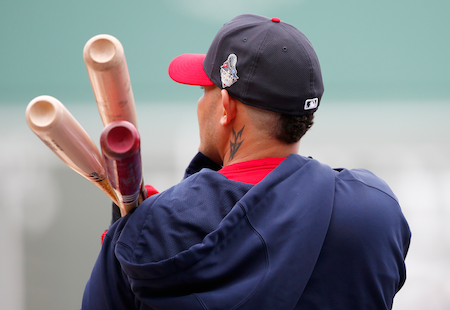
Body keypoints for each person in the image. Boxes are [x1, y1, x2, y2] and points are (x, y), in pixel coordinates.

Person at [81, 14, 411, 310]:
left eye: (204, 89)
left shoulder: (148, 234)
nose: (201, 104)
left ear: (226, 106)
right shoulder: (375, 212)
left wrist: (129, 237)